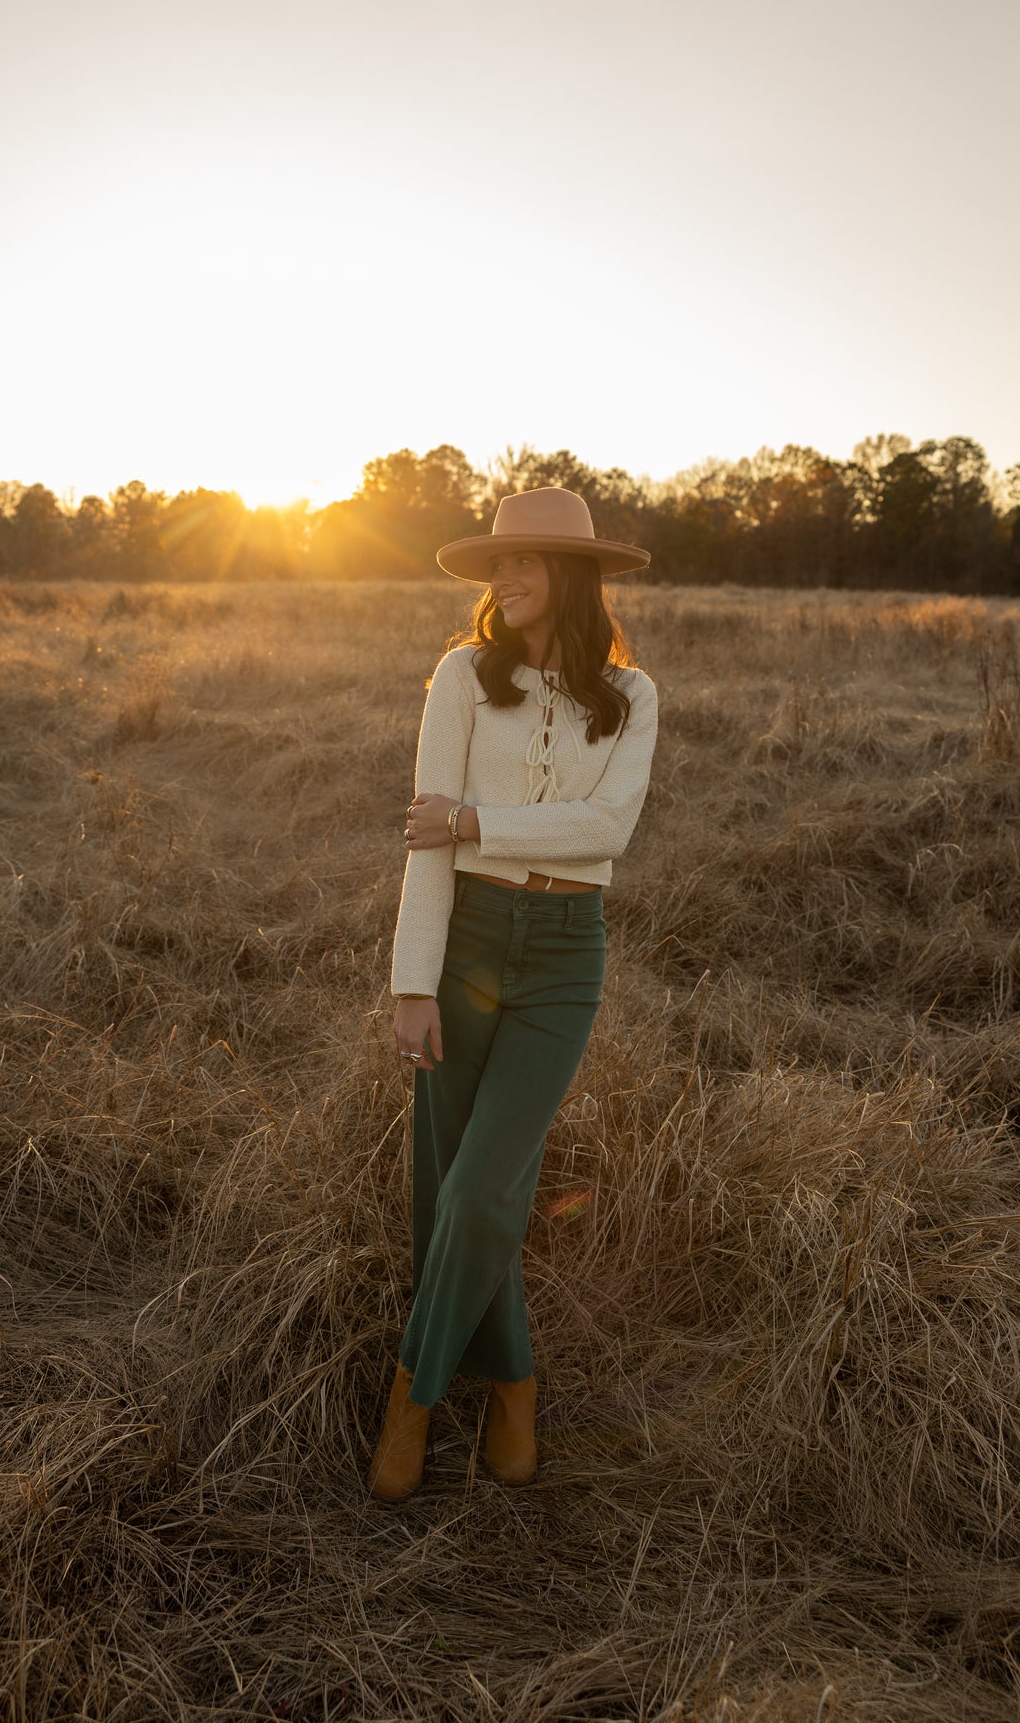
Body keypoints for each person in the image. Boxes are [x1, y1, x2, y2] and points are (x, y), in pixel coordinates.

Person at [368, 486, 658, 1500]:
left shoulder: (632, 696)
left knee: (487, 1185)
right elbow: (424, 843)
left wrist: (474, 821)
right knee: (442, 1185)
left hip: (565, 956)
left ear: (570, 574)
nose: (506, 579)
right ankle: (516, 1385)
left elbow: (607, 828)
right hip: (465, 945)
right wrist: (413, 983)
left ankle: (414, 1391)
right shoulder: (460, 676)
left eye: (525, 562)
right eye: (498, 564)